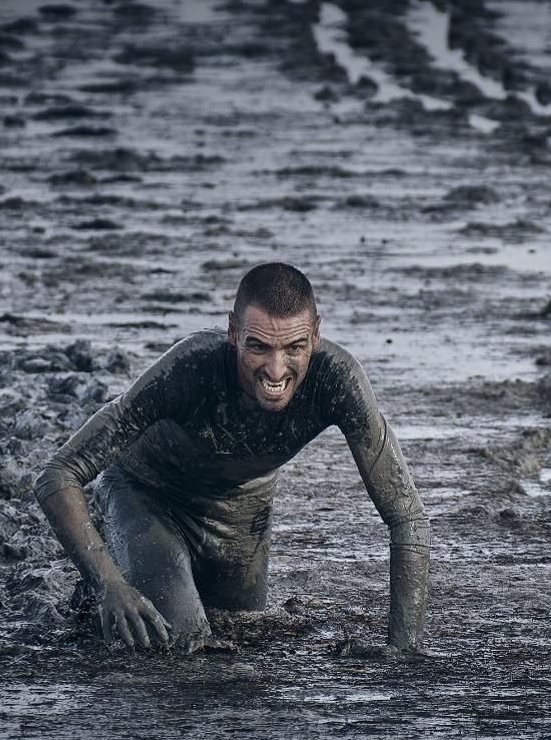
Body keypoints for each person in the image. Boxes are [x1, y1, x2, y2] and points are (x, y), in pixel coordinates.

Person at [34, 262, 430, 653]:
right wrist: (109, 584)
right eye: (258, 346)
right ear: (233, 332)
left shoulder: (338, 380)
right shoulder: (189, 368)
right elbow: (57, 474)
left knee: (245, 637)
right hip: (147, 497)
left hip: (243, 511)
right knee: (182, 645)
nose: (276, 370)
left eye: (294, 347)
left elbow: (407, 517)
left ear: (315, 335)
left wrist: (403, 649)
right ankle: (110, 577)